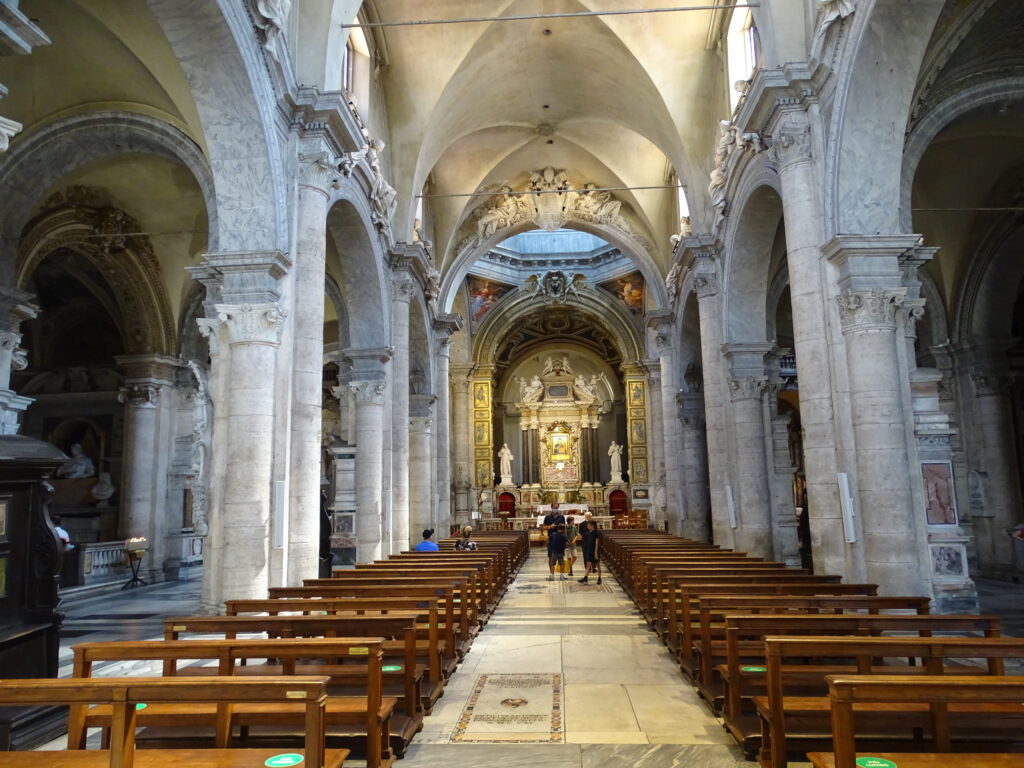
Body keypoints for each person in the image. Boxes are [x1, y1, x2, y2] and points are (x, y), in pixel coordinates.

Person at [578, 520, 602, 585]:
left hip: (595, 551)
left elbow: (597, 543)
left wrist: (596, 552)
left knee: (598, 565)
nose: (587, 527)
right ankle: (585, 578)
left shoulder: (596, 533)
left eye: (588, 526)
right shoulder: (589, 533)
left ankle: (599, 578)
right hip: (589, 551)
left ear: (593, 526)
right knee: (588, 565)